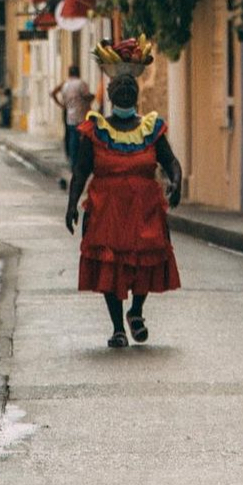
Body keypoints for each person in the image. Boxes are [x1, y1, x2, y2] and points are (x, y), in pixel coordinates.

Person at [65, 36, 182, 348]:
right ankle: (117, 326)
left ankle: (137, 312)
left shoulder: (151, 129)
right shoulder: (96, 130)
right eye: (120, 89)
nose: (125, 93)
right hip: (107, 211)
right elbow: (80, 171)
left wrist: (176, 182)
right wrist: (71, 205)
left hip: (146, 210)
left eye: (130, 89)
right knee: (109, 265)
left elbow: (170, 162)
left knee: (147, 260)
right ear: (112, 94)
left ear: (136, 95)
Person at [51, 64, 94, 177]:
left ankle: (73, 165)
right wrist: (92, 97)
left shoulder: (65, 84)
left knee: (72, 141)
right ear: (78, 72)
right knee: (82, 142)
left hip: (69, 116)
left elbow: (53, 93)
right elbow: (86, 96)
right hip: (81, 117)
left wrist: (62, 105)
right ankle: (82, 166)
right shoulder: (81, 83)